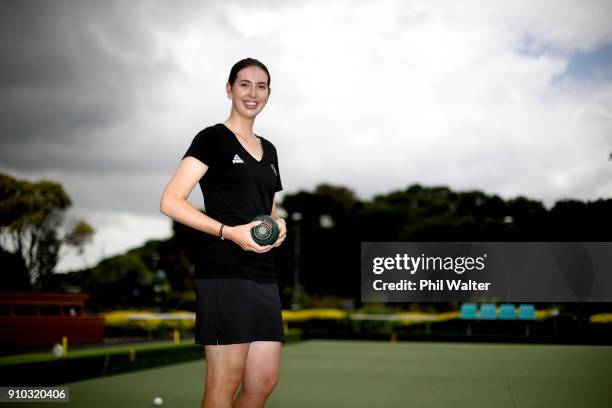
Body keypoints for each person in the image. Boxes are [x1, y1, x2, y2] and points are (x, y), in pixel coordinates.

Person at [160, 57, 286, 408]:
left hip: (263, 273)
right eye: (244, 84)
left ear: (268, 94)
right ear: (229, 89)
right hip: (223, 272)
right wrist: (228, 232)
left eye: (261, 86)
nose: (253, 93)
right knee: (224, 381)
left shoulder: (270, 150)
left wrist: (278, 226)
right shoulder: (212, 138)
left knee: (263, 381)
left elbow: (267, 209)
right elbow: (171, 201)